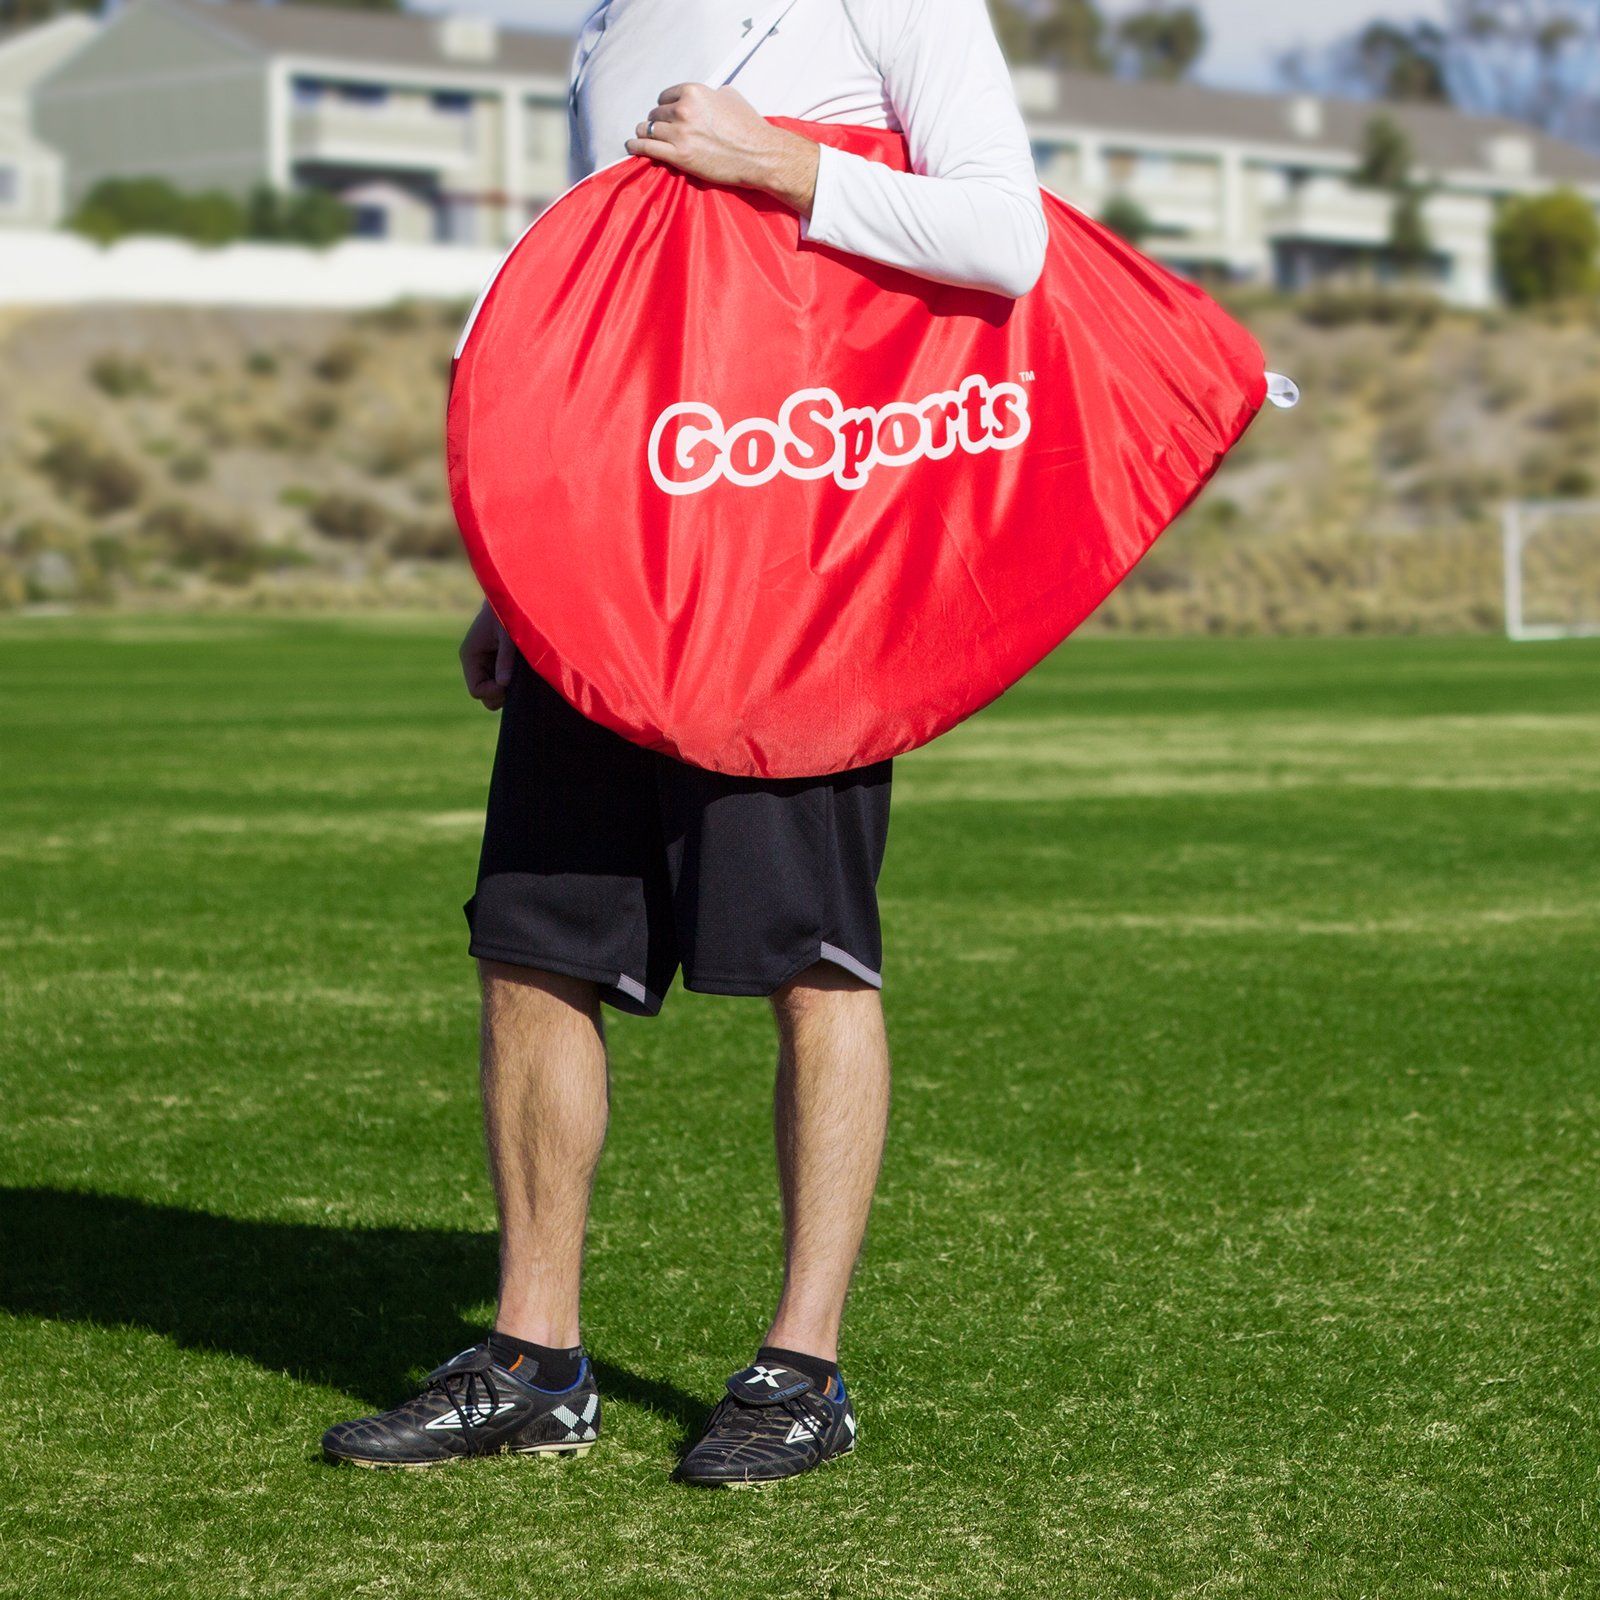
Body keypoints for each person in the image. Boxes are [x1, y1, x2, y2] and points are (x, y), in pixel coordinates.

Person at [321, 0, 1045, 1486]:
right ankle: (533, 1358)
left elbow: (1004, 236)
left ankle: (803, 1368)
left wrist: (779, 159)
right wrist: (514, 572)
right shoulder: (606, 23)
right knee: (534, 944)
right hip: (610, 570)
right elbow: (605, 318)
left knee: (810, 956)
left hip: (797, 570)